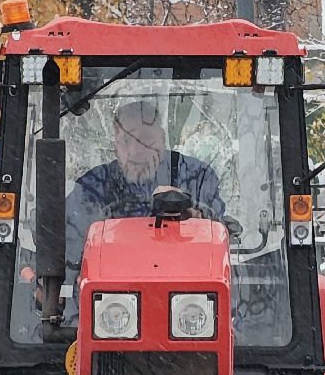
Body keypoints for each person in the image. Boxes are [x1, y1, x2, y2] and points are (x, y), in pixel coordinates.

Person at [64, 99, 227, 280]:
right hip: (111, 294)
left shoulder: (196, 176)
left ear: (162, 140)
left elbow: (219, 231)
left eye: (145, 139)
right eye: (126, 140)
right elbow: (68, 244)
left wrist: (194, 217)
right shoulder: (93, 187)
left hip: (191, 293)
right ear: (115, 148)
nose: (136, 150)